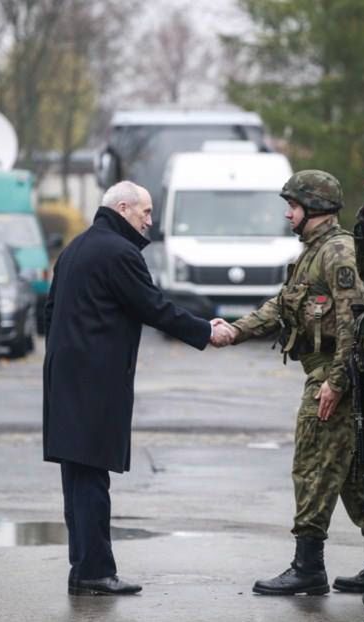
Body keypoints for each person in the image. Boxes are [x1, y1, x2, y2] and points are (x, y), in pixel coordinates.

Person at [42, 180, 232, 596]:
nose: (150, 221)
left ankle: (83, 569)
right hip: (95, 382)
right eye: (145, 212)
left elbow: (50, 312)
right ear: (123, 207)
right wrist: (205, 331)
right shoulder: (119, 252)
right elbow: (153, 307)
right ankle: (94, 571)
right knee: (92, 476)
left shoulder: (76, 248)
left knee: (77, 477)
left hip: (66, 378)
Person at [222, 170, 364, 596]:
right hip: (324, 373)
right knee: (347, 475)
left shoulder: (338, 253)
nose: (287, 214)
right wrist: (235, 331)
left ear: (314, 207)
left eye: (292, 206)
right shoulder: (313, 253)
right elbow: (283, 305)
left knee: (313, 467)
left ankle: (309, 567)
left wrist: (337, 381)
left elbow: (352, 322)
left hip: (331, 376)